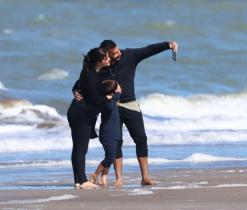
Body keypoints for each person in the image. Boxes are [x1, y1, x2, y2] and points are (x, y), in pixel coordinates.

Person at [73, 40, 178, 185]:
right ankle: (118, 178)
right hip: (110, 106)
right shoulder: (102, 66)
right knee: (116, 141)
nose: (119, 53)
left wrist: (167, 45)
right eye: (114, 53)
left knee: (141, 138)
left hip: (130, 104)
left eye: (118, 50)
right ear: (107, 56)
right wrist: (75, 91)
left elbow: (148, 49)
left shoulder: (129, 56)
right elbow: (83, 81)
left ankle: (145, 177)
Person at [67, 47, 111, 189]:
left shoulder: (93, 72)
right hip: (80, 115)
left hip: (80, 113)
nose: (109, 59)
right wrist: (109, 97)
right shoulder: (91, 75)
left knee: (79, 148)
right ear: (99, 62)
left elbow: (79, 86)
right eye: (106, 58)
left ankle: (78, 181)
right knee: (81, 149)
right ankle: (83, 180)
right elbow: (96, 100)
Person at [90, 80, 122, 186]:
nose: (119, 89)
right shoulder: (107, 102)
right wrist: (116, 93)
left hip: (115, 132)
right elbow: (118, 94)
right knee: (110, 157)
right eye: (117, 87)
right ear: (113, 90)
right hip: (107, 133)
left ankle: (103, 179)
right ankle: (95, 174)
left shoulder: (111, 99)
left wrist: (115, 92)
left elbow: (117, 93)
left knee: (110, 155)